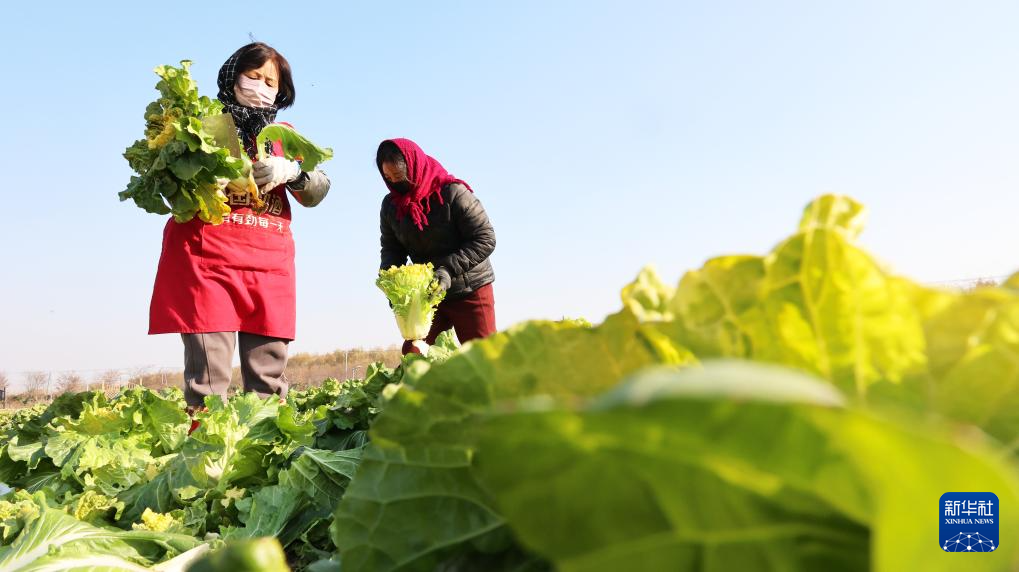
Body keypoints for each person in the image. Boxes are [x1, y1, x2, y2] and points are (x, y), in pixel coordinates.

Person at [148, 42, 331, 414]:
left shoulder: (283, 135)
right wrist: (197, 180)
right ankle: (207, 447)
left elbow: (317, 191)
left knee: (268, 382)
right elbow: (167, 190)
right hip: (208, 265)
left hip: (268, 266)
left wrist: (294, 173)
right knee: (207, 381)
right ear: (233, 77)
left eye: (270, 82)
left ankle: (265, 447)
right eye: (253, 75)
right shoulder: (205, 126)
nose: (261, 86)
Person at [376, 138, 497, 354]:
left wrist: (447, 269)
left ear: (413, 167)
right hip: (428, 294)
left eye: (399, 176)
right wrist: (392, 286)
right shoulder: (391, 206)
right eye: (388, 178)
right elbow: (391, 250)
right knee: (415, 356)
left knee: (485, 358)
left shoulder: (453, 192)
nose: (394, 183)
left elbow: (485, 238)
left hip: (469, 288)